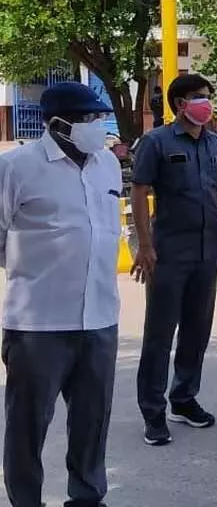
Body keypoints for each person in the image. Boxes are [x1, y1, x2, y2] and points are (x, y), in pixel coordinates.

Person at [0, 83, 121, 507]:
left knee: (93, 422)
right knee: (27, 427)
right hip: (38, 325)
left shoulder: (107, 164)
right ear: (58, 124)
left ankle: (87, 498)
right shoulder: (15, 167)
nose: (97, 126)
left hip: (101, 318)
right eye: (88, 119)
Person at [131, 73, 217, 446]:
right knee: (160, 334)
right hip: (168, 253)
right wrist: (144, 245)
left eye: (208, 97)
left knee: (197, 330)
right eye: (199, 97)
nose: (207, 103)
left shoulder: (214, 144)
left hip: (206, 249)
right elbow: (140, 191)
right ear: (180, 104)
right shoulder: (156, 142)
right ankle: (153, 411)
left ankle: (183, 398)